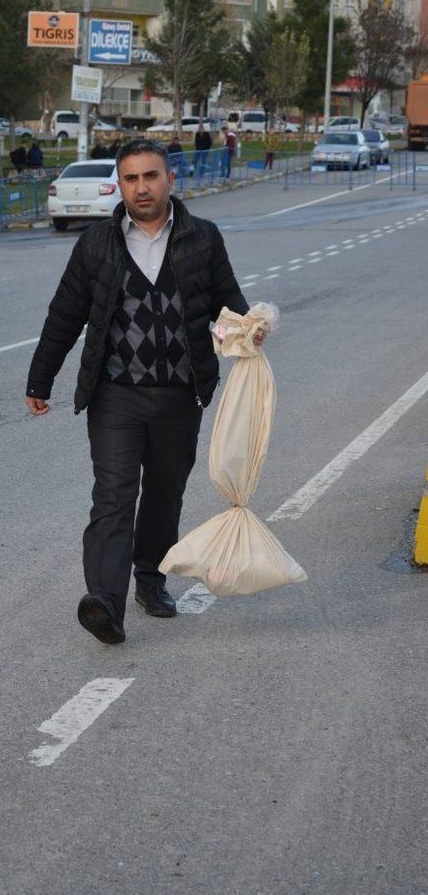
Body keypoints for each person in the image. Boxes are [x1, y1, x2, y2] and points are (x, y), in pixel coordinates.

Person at [24, 139, 266, 645]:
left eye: (150, 176)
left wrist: (250, 328)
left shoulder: (203, 238)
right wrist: (40, 379)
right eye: (131, 179)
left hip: (181, 393)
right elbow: (65, 313)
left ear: (170, 181)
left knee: (163, 493)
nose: (142, 188)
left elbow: (230, 305)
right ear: (121, 184)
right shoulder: (97, 243)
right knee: (113, 496)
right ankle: (105, 603)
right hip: (116, 395)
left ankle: (150, 581)